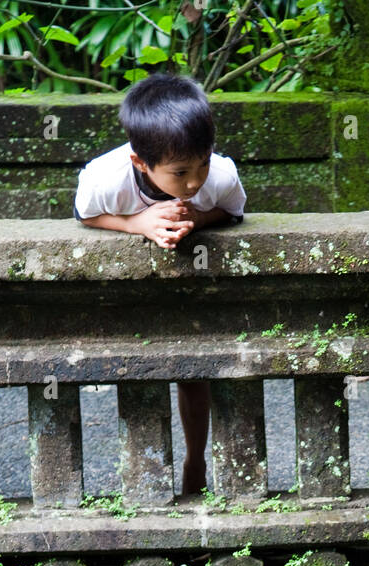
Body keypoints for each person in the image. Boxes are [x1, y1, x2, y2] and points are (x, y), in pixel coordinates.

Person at [74, 73, 247, 496]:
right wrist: (137, 224)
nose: (194, 182)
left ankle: (195, 459)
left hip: (187, 288)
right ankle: (145, 477)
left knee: (194, 371)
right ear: (141, 163)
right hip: (128, 294)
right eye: (181, 172)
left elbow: (232, 211)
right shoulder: (107, 182)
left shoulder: (219, 176)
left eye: (202, 162)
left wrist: (194, 218)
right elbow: (84, 215)